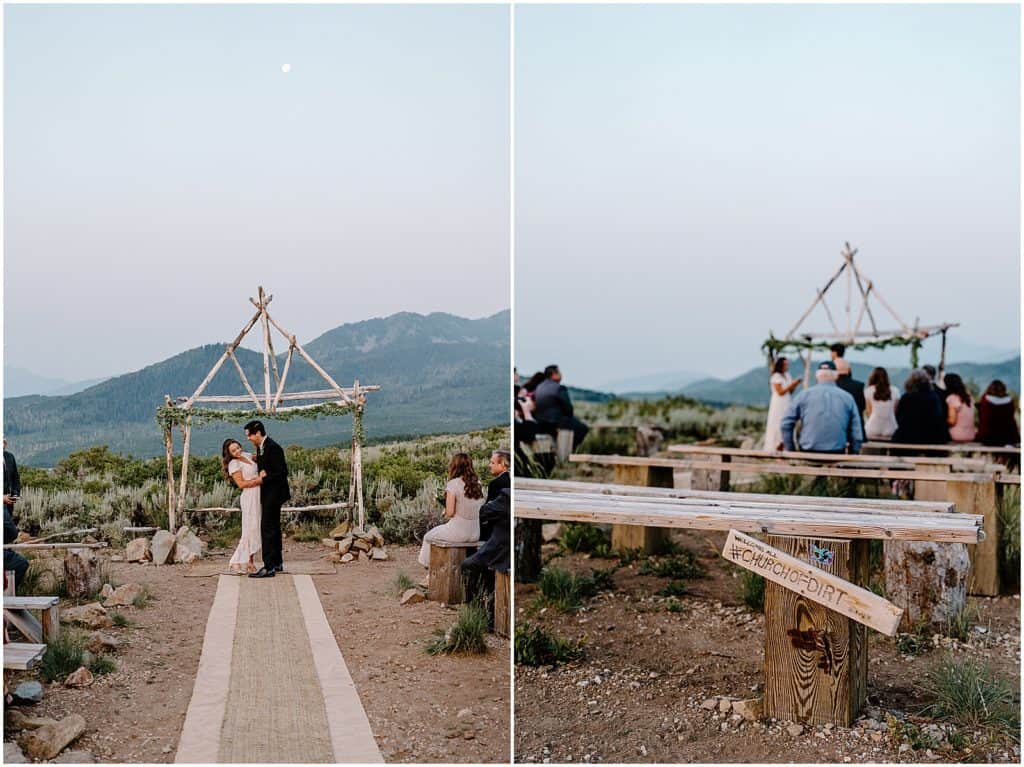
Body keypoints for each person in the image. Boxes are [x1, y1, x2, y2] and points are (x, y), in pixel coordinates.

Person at [418, 453, 485, 570]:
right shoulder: (478, 484)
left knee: (428, 537)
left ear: (454, 466)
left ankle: (429, 571)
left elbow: (450, 513)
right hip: (475, 533)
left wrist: (445, 510)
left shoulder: (453, 484)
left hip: (458, 532)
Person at [780, 361, 863, 454]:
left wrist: (791, 450)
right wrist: (853, 454)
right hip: (837, 454)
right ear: (836, 376)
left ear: (817, 376)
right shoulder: (847, 398)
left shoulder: (803, 395)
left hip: (808, 453)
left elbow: (785, 423)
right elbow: (857, 434)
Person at [244, 420, 291, 578]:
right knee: (274, 528)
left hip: (274, 493)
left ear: (258, 433)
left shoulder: (273, 447)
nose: (248, 438)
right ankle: (277, 563)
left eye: (249, 435)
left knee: (267, 529)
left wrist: (262, 479)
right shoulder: (261, 448)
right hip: (269, 493)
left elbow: (281, 472)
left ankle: (268, 566)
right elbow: (267, 466)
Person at [460, 488, 510, 628]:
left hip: (501, 550)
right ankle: (489, 609)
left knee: (468, 566)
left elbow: (483, 511)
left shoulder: (506, 495)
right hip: (506, 549)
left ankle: (477, 612)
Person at [222, 439, 264, 575]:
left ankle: (249, 561)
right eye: (233, 451)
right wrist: (259, 479)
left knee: (255, 527)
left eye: (238, 448)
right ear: (229, 454)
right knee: (249, 529)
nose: (237, 451)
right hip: (250, 496)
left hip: (258, 495)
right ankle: (236, 561)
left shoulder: (246, 455)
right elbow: (241, 484)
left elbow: (260, 457)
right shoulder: (234, 464)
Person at [533, 365, 590, 449]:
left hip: (541, 423)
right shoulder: (559, 388)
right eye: (559, 372)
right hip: (556, 422)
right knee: (583, 428)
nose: (561, 375)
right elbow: (568, 409)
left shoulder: (539, 387)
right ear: (553, 374)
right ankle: (568, 451)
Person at [892, 369, 948, 444]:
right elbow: (939, 417)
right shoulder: (934, 398)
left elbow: (898, 418)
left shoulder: (906, 397)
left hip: (908, 437)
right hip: (932, 437)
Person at [3, 438, 28, 589]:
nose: (4, 441)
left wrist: (15, 494)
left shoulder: (9, 457)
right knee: (9, 531)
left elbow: (15, 478)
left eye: (5, 438)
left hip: (8, 501)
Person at [763, 357, 801, 451]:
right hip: (778, 403)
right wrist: (792, 384)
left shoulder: (787, 375)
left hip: (787, 401)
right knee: (777, 422)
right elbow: (780, 392)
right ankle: (775, 445)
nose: (787, 366)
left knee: (786, 420)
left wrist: (795, 385)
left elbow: (790, 391)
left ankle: (785, 444)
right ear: (781, 365)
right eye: (786, 364)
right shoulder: (776, 376)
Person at [977, 380, 1020, 446]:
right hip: (1009, 438)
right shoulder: (1010, 402)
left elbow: (983, 420)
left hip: (989, 438)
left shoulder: (985, 400)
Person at [864, 367, 899, 441]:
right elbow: (895, 411)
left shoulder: (869, 390)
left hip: (873, 427)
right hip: (891, 427)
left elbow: (868, 412)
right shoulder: (895, 391)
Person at [943, 373, 977, 443]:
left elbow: (952, 421)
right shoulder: (969, 398)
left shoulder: (952, 398)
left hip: (957, 435)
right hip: (971, 435)